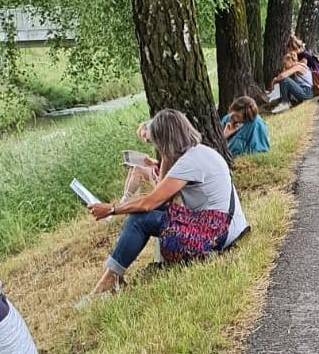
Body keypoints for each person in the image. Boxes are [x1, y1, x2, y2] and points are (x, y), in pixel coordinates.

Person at [81, 109, 249, 301]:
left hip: (216, 234)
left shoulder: (189, 162)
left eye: (155, 142)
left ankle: (109, 281)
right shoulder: (199, 152)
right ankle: (112, 276)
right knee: (150, 211)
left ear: (164, 140)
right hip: (225, 225)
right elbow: (162, 198)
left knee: (139, 218)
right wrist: (166, 158)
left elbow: (148, 203)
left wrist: (111, 209)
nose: (155, 146)